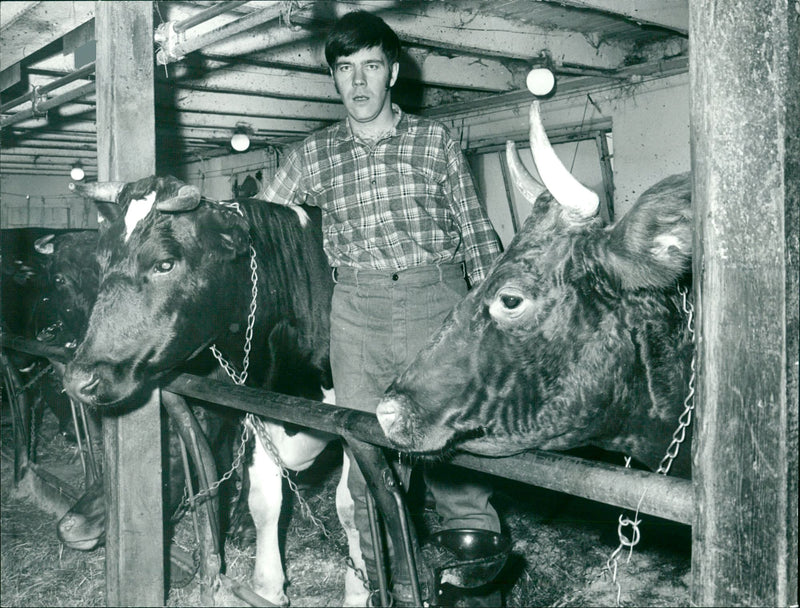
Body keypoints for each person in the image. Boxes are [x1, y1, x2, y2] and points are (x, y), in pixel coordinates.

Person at [261, 10, 502, 604]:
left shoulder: (434, 139)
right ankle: (377, 590)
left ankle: (475, 588)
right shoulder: (313, 155)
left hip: (437, 301)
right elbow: (259, 224)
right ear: (334, 79)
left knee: (455, 455)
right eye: (346, 69)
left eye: (372, 66)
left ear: (393, 72)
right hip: (357, 311)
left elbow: (477, 237)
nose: (359, 82)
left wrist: (494, 322)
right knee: (367, 462)